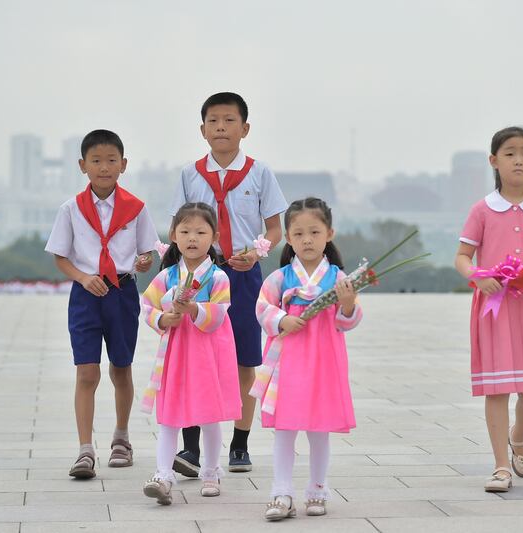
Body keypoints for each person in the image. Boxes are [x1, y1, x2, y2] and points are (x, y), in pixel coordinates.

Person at [169, 91, 287, 474]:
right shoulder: (189, 174)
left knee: (244, 359)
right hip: (199, 274)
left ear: (245, 128)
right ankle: (190, 448)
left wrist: (256, 253)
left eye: (229, 120)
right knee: (193, 356)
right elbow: (178, 225)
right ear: (202, 130)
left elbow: (275, 227)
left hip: (242, 272)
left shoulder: (259, 172)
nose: (221, 127)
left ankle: (240, 443)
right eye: (214, 121)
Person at [454, 126, 523, 492]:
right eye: (510, 153)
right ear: (494, 161)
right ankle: (501, 466)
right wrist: (478, 277)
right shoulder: (482, 210)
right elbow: (462, 257)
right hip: (495, 308)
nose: (518, 159)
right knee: (497, 389)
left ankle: (518, 439)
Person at [45, 129, 157, 479]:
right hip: (86, 296)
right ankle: (84, 449)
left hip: (122, 294)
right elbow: (60, 258)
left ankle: (121, 439)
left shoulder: (136, 208)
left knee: (121, 368)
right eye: (96, 160)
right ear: (82, 166)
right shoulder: (71, 210)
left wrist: (143, 262)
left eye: (111, 160)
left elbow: (148, 251)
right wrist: (82, 277)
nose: (104, 167)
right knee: (87, 372)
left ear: (123, 164)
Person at [254, 197, 362, 520]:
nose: (307, 240)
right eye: (299, 233)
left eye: (314, 232)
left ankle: (317, 489)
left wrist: (347, 304)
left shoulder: (340, 279)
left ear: (329, 233)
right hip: (288, 363)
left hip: (324, 362)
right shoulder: (281, 278)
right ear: (288, 238)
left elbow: (349, 320)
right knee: (285, 429)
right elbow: (262, 308)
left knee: (319, 429)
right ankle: (281, 491)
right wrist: (281, 320)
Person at [140, 202, 241, 504]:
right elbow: (147, 306)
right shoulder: (167, 276)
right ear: (173, 235)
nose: (192, 238)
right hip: (175, 353)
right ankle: (162, 473)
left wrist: (194, 308)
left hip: (206, 354)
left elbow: (220, 312)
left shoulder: (218, 278)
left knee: (209, 415)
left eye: (200, 231)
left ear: (215, 236)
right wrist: (163, 318)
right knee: (169, 414)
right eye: (185, 231)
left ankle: (210, 471)